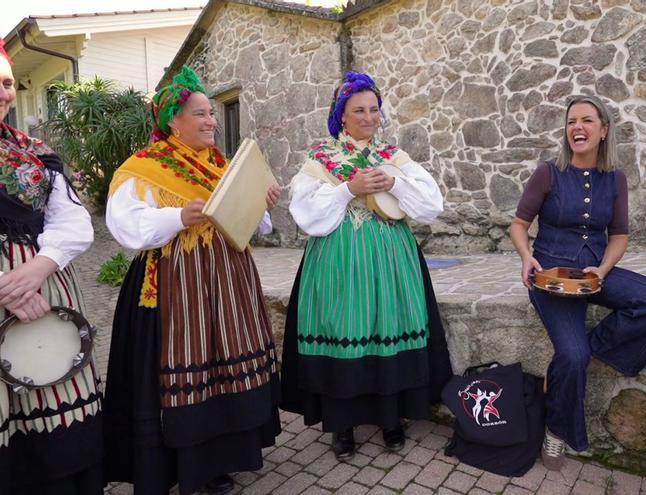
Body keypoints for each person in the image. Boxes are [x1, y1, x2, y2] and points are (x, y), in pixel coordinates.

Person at [102, 65, 281, 495]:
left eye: (212, 113)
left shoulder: (221, 164)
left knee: (228, 364)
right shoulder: (145, 167)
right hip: (175, 283)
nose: (211, 121)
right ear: (173, 122)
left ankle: (223, 458)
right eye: (200, 114)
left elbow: (255, 227)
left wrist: (262, 203)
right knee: (185, 368)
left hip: (230, 279)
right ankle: (181, 465)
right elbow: (125, 226)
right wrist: (179, 216)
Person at [280, 71, 451, 461]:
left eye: (374, 110)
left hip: (392, 258)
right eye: (359, 110)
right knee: (342, 327)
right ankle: (342, 424)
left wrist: (394, 184)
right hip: (338, 258)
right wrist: (348, 189)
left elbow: (430, 203)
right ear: (342, 114)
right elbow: (304, 211)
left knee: (387, 327)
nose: (369, 117)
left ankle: (391, 418)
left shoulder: (393, 157)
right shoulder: (321, 158)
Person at [509, 95, 646, 471]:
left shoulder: (615, 178)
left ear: (604, 130)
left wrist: (602, 270)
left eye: (587, 120)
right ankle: (556, 430)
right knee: (573, 357)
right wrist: (526, 257)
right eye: (572, 121)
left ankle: (574, 359)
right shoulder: (548, 173)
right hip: (552, 278)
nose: (578, 127)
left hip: (594, 274)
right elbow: (519, 225)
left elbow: (619, 235)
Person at [0, 40, 102, 494]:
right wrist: (6, 287)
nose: (3, 93)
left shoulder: (34, 153)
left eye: (7, 82)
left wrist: (38, 269)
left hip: (48, 290)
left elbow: (74, 221)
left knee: (54, 389)